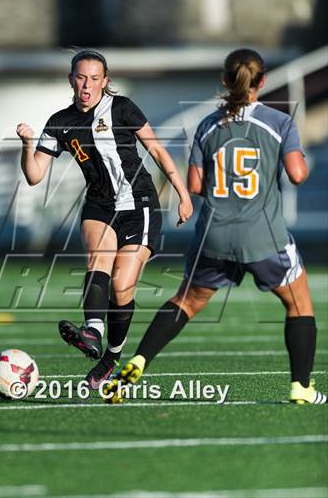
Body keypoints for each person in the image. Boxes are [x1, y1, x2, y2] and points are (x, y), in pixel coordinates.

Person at [103, 48, 327, 405]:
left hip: (214, 234)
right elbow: (298, 174)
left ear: (225, 81)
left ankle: (139, 361)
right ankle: (301, 387)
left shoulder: (208, 125)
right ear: (263, 81)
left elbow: (194, 184)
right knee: (300, 305)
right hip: (262, 234)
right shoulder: (279, 121)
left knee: (186, 302)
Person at [17, 50, 193, 389]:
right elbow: (35, 174)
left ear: (105, 82)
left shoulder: (123, 108)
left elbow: (156, 149)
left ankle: (111, 357)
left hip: (138, 204)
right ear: (71, 79)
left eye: (94, 79)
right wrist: (28, 144)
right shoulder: (60, 122)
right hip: (99, 205)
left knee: (121, 286)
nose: (87, 85)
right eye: (81, 77)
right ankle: (93, 332)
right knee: (97, 260)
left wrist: (182, 194)